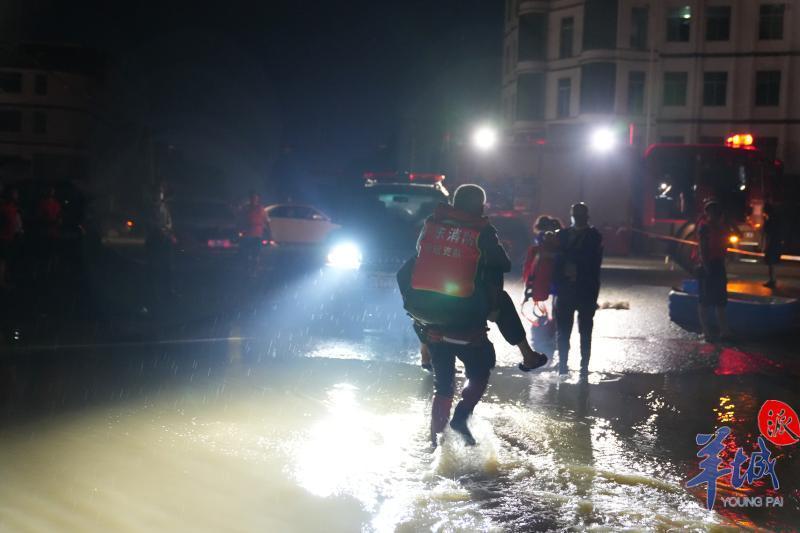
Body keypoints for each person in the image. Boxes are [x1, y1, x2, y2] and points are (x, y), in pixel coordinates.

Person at [398, 184, 546, 447]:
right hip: (465, 313)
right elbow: (503, 264)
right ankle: (526, 355)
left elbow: (418, 255)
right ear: (480, 206)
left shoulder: (432, 224)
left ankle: (434, 442)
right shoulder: (482, 230)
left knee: (442, 387)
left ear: (454, 204)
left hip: (428, 318)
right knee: (481, 367)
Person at [553, 203, 603, 375]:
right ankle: (568, 365)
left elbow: (589, 260)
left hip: (580, 289)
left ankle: (576, 366)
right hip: (576, 289)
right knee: (571, 331)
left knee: (577, 331)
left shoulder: (591, 236)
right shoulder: (589, 236)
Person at [696, 200, 730, 342]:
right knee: (711, 300)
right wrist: (706, 266)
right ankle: (712, 331)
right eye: (712, 212)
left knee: (714, 299)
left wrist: (709, 265)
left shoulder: (716, 228)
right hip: (711, 265)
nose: (713, 215)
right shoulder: (709, 228)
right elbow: (703, 248)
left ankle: (717, 331)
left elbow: (720, 248)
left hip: (714, 265)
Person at [145, 184, 176, 302]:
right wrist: (160, 230)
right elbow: (151, 223)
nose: (159, 195)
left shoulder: (165, 207)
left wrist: (168, 232)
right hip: (154, 240)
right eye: (157, 193)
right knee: (153, 267)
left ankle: (168, 291)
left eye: (160, 192)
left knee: (167, 266)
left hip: (164, 240)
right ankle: (153, 293)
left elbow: (169, 222)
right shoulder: (150, 208)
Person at [35, 186, 63, 279]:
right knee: (46, 252)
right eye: (50, 191)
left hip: (54, 232)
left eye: (52, 191)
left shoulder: (56, 204)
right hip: (45, 231)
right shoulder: (43, 203)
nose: (51, 192)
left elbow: (59, 216)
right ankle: (46, 271)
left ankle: (53, 270)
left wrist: (58, 221)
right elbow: (39, 218)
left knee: (53, 251)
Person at [239, 191, 268, 276]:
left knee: (256, 254)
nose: (254, 199)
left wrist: (269, 233)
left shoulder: (261, 209)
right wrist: (241, 230)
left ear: (258, 199)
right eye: (252, 198)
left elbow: (266, 221)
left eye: (255, 198)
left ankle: (255, 271)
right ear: (250, 199)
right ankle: (247, 270)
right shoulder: (246, 208)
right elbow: (241, 220)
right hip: (247, 234)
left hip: (257, 235)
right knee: (247, 254)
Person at [0, 187, 23, 289]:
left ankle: (4, 278)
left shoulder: (10, 208)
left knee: (5, 259)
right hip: (5, 237)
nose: (17, 196)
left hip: (8, 236)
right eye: (15, 194)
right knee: (3, 260)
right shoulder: (8, 209)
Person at [762, 203, 782, 289]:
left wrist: (767, 246)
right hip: (775, 243)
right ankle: (772, 280)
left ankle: (772, 280)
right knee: (771, 263)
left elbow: (768, 233)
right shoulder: (775, 219)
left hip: (772, 244)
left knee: (771, 262)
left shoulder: (770, 220)